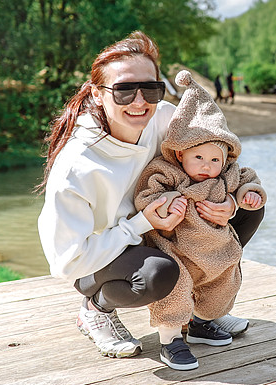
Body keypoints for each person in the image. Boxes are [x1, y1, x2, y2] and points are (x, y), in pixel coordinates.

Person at [37, 31, 262, 360]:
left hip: (161, 230)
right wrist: (140, 223)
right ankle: (95, 308)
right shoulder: (76, 167)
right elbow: (66, 262)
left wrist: (229, 202)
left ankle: (199, 315)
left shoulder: (165, 118)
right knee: (158, 275)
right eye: (124, 90)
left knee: (249, 208)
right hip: (101, 257)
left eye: (150, 89)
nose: (140, 101)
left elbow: (218, 158)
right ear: (98, 94)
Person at [134, 70, 266, 370]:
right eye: (199, 158)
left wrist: (247, 195)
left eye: (215, 160)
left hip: (214, 247)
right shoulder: (166, 171)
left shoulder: (227, 173)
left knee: (224, 280)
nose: (208, 167)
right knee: (175, 285)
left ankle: (201, 322)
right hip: (176, 246)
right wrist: (164, 202)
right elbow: (146, 195)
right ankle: (170, 340)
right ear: (180, 155)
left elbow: (247, 179)